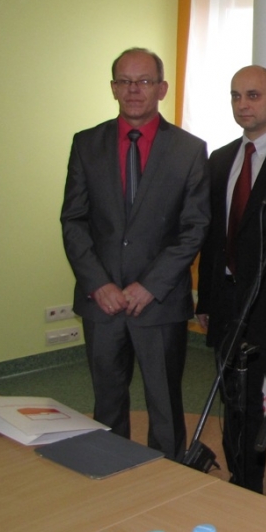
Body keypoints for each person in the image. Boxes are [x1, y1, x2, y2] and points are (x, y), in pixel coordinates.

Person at [61, 48, 210, 460]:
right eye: (124, 81)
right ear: (113, 88)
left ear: (161, 88)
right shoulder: (86, 144)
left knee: (165, 406)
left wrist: (150, 285)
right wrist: (98, 283)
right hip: (102, 302)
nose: (133, 90)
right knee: (107, 402)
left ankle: (167, 480)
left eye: (144, 81)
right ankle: (110, 473)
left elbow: (194, 227)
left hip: (158, 302)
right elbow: (73, 221)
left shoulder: (189, 150)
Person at [196, 65, 266, 492]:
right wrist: (206, 300)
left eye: (253, 95)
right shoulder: (220, 159)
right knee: (236, 402)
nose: (243, 104)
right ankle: (242, 483)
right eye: (236, 96)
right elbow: (212, 236)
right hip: (229, 301)